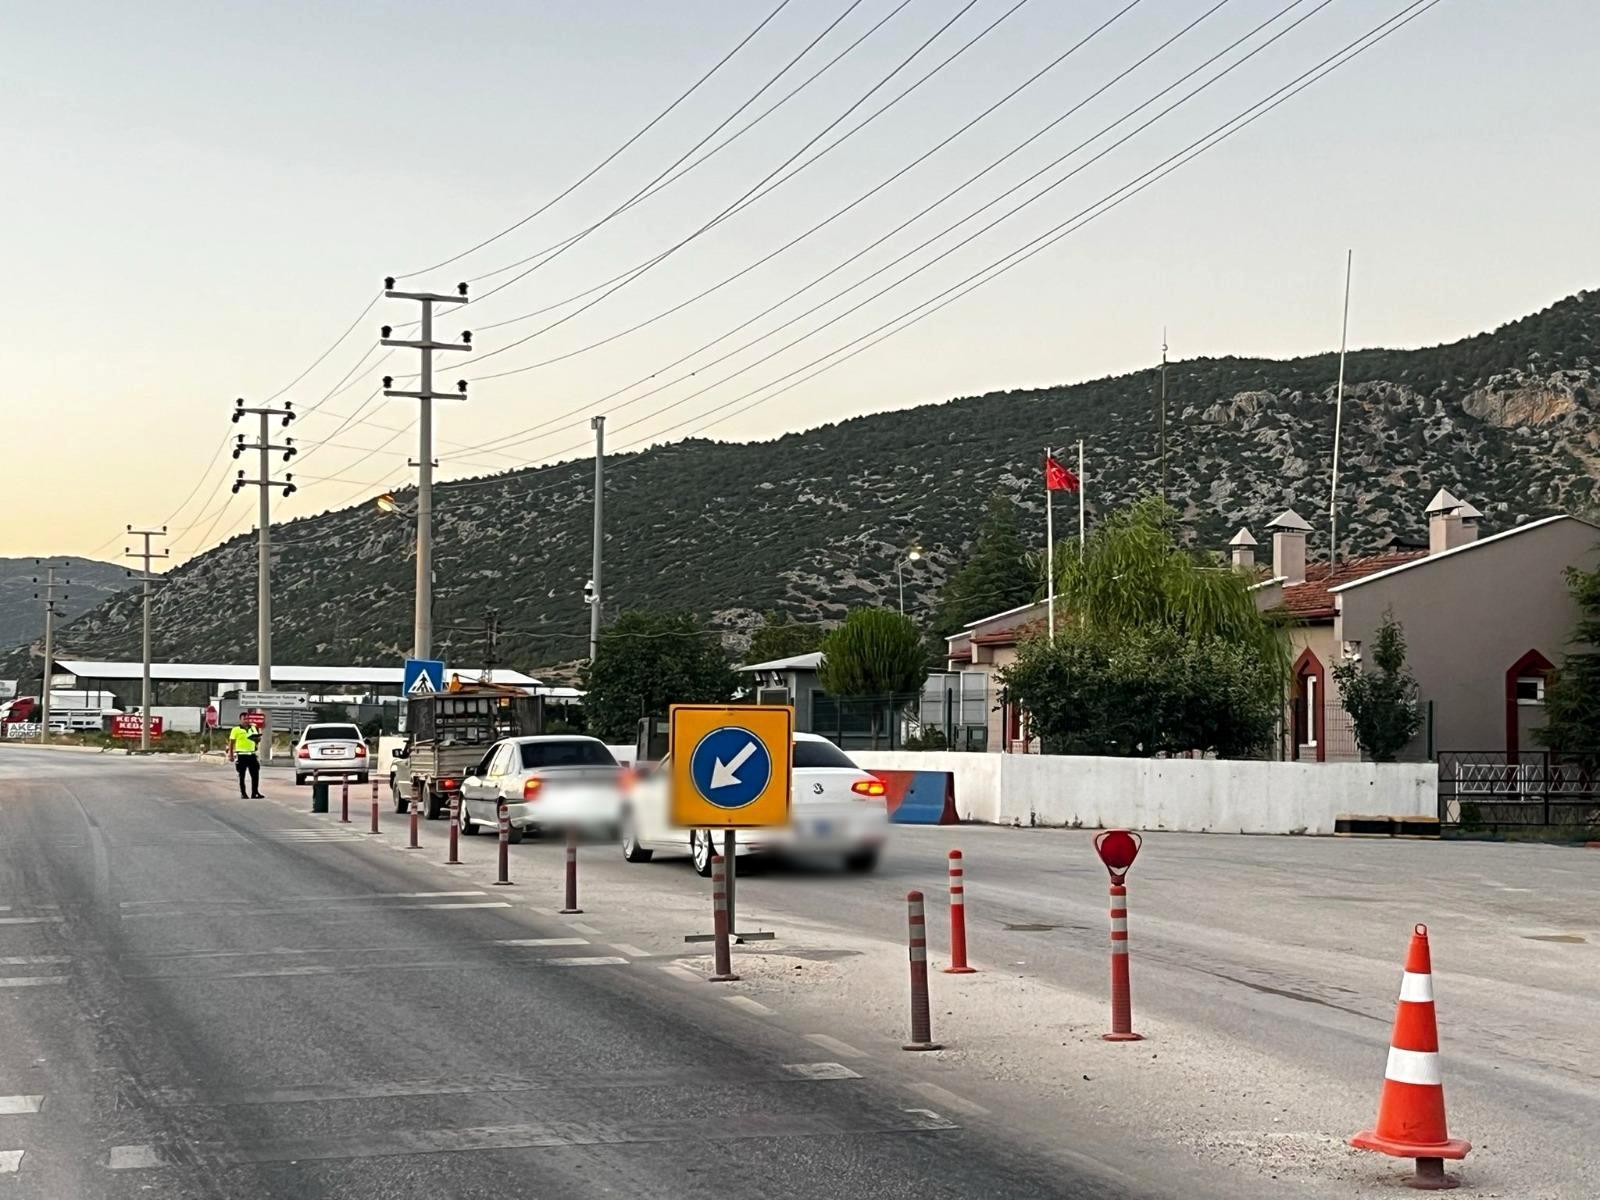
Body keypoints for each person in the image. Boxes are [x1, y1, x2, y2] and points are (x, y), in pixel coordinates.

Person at [228, 717, 264, 798]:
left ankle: (255, 793)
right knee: (242, 775)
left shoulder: (253, 728)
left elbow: (257, 740)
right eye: (244, 719)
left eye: (247, 719)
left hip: (252, 754)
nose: (246, 721)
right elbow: (231, 743)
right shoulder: (236, 729)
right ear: (240, 720)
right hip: (241, 755)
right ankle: (243, 793)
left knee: (255, 774)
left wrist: (257, 739)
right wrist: (231, 755)